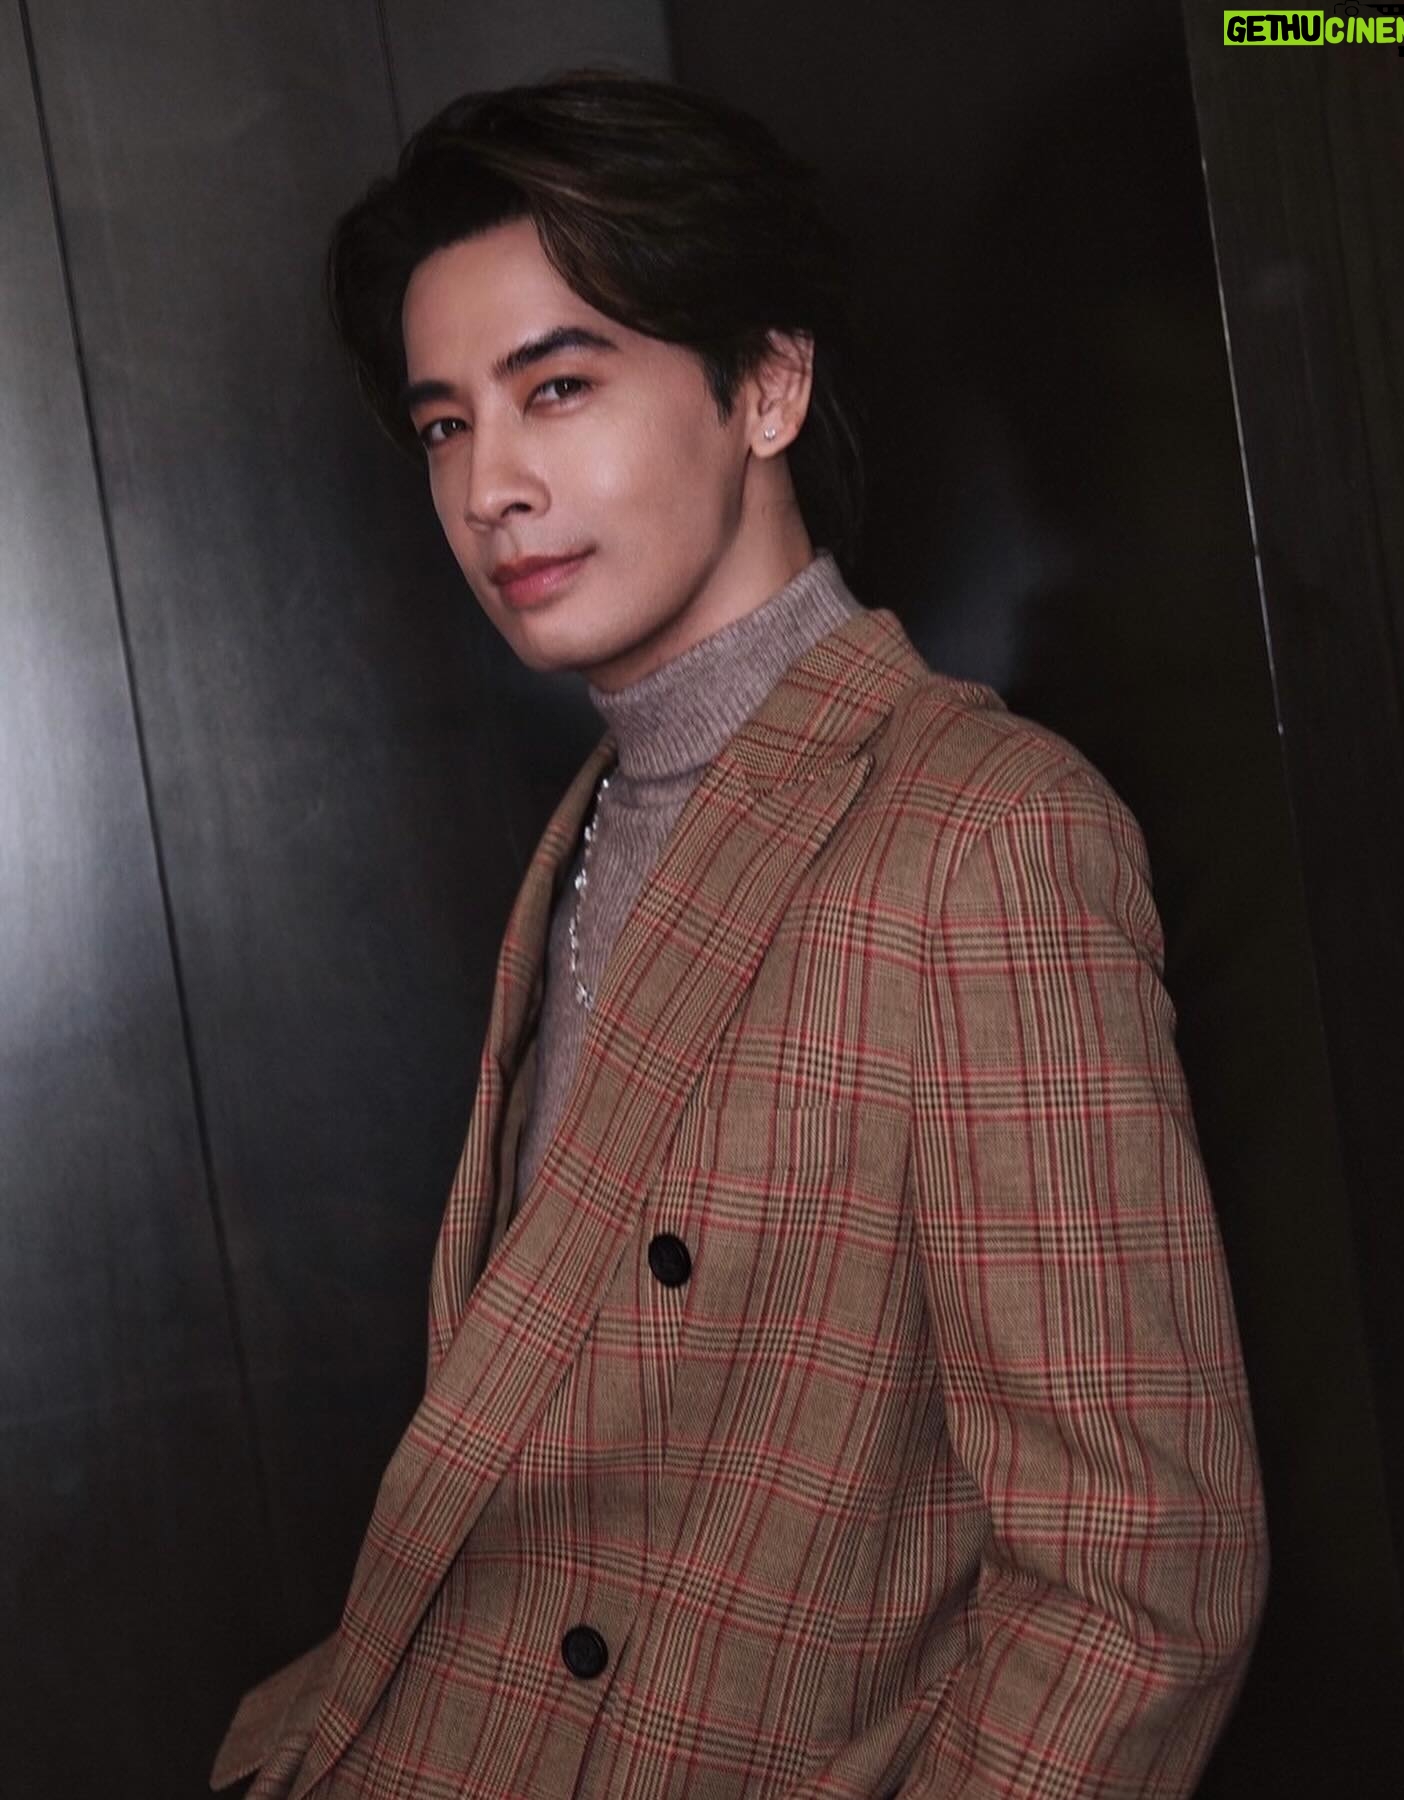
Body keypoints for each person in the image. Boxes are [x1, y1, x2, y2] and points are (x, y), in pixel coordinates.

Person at [213, 70, 1266, 1800]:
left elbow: (1140, 1579)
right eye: (445, 425)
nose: (490, 486)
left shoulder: (984, 830)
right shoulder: (600, 812)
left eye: (557, 387)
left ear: (767, 387)